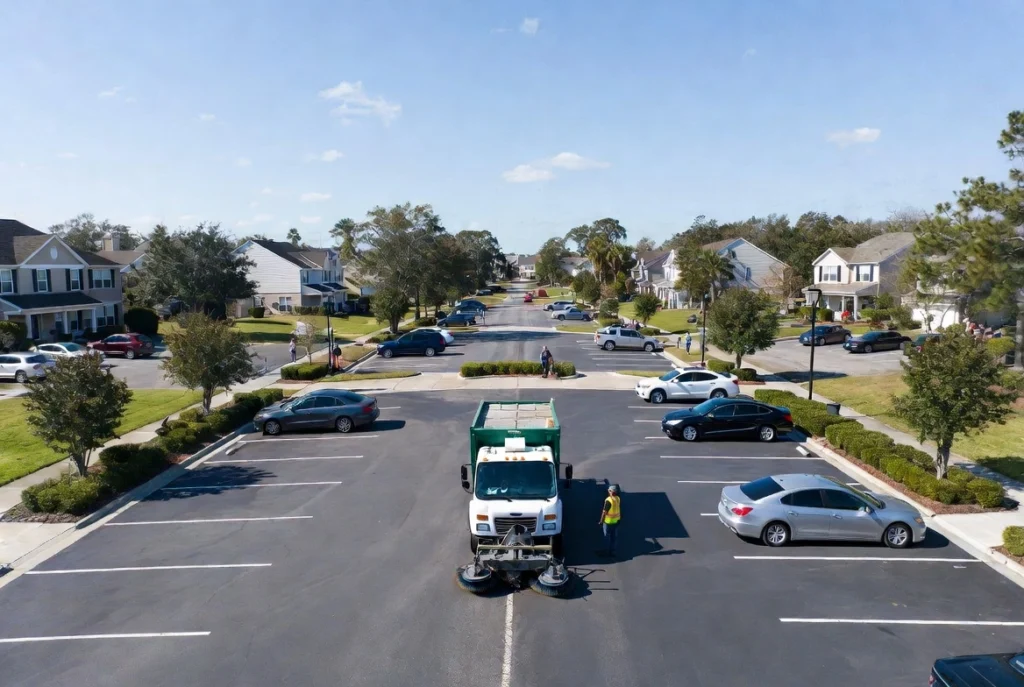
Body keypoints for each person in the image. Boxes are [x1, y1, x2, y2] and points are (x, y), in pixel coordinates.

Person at [598, 484, 621, 557]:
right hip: (616, 522)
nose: (608, 491)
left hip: (608, 522)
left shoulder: (608, 500)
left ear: (611, 491)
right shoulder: (617, 498)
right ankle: (613, 551)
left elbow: (604, 512)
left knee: (607, 537)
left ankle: (606, 552)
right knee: (613, 538)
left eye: (609, 490)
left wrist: (601, 521)